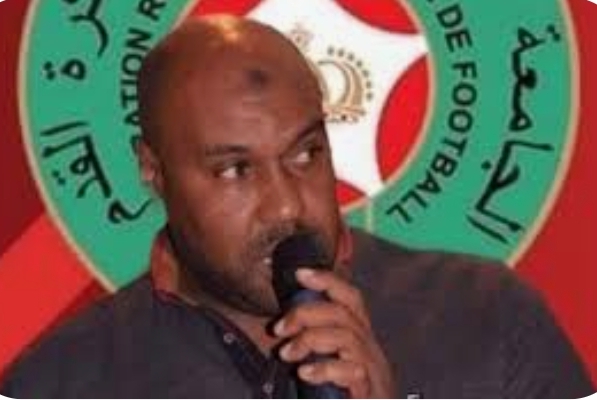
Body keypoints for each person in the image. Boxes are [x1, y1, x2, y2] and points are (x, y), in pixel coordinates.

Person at [1, 15, 594, 399]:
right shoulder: (61, 381)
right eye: (234, 170)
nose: (287, 206)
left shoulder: (489, 315)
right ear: (153, 171)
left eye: (306, 154)